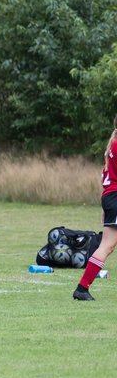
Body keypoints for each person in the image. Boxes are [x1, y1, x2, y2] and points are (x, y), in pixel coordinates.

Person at [73, 115, 117, 301]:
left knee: (107, 245)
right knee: (106, 246)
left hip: (111, 197)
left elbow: (107, 177)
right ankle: (82, 288)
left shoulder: (113, 144)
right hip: (115, 197)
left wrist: (104, 207)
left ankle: (82, 288)